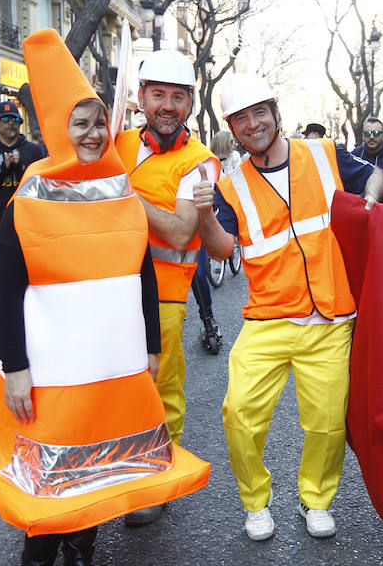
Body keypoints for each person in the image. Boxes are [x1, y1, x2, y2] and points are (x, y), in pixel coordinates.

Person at [0, 28, 209, 566]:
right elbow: (8, 288)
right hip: (52, 371)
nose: (91, 134)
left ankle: (84, 549)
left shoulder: (119, 187)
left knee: (97, 478)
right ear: (60, 130)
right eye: (79, 123)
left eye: (97, 124)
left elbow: (143, 276)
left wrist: (152, 347)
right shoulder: (30, 197)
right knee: (50, 491)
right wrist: (14, 366)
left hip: (113, 366)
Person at [193, 72, 383, 542]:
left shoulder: (323, 154)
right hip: (268, 318)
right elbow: (221, 251)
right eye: (241, 119)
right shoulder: (230, 184)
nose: (253, 124)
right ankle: (256, 502)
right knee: (238, 412)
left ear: (276, 112)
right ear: (231, 129)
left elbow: (375, 174)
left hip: (331, 319)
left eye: (260, 112)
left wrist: (370, 203)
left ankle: (315, 499)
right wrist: (201, 211)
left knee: (326, 423)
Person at [114, 48, 220, 523]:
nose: (168, 105)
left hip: (164, 294)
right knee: (109, 382)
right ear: (140, 98)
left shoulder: (200, 161)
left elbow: (180, 232)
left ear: (191, 104)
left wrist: (117, 192)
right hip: (105, 288)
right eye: (158, 94)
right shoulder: (115, 142)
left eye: (178, 96)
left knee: (161, 389)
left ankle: (156, 479)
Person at [0, 101, 44, 345]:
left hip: (29, 221)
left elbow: (42, 183)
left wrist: (20, 166)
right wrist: (3, 169)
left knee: (31, 268)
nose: (11, 124)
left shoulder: (33, 151)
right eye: (5, 119)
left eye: (15, 119)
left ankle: (30, 311)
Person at [352, 117, 383, 191]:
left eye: (376, 133)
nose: (371, 137)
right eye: (367, 133)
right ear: (363, 136)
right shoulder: (355, 154)